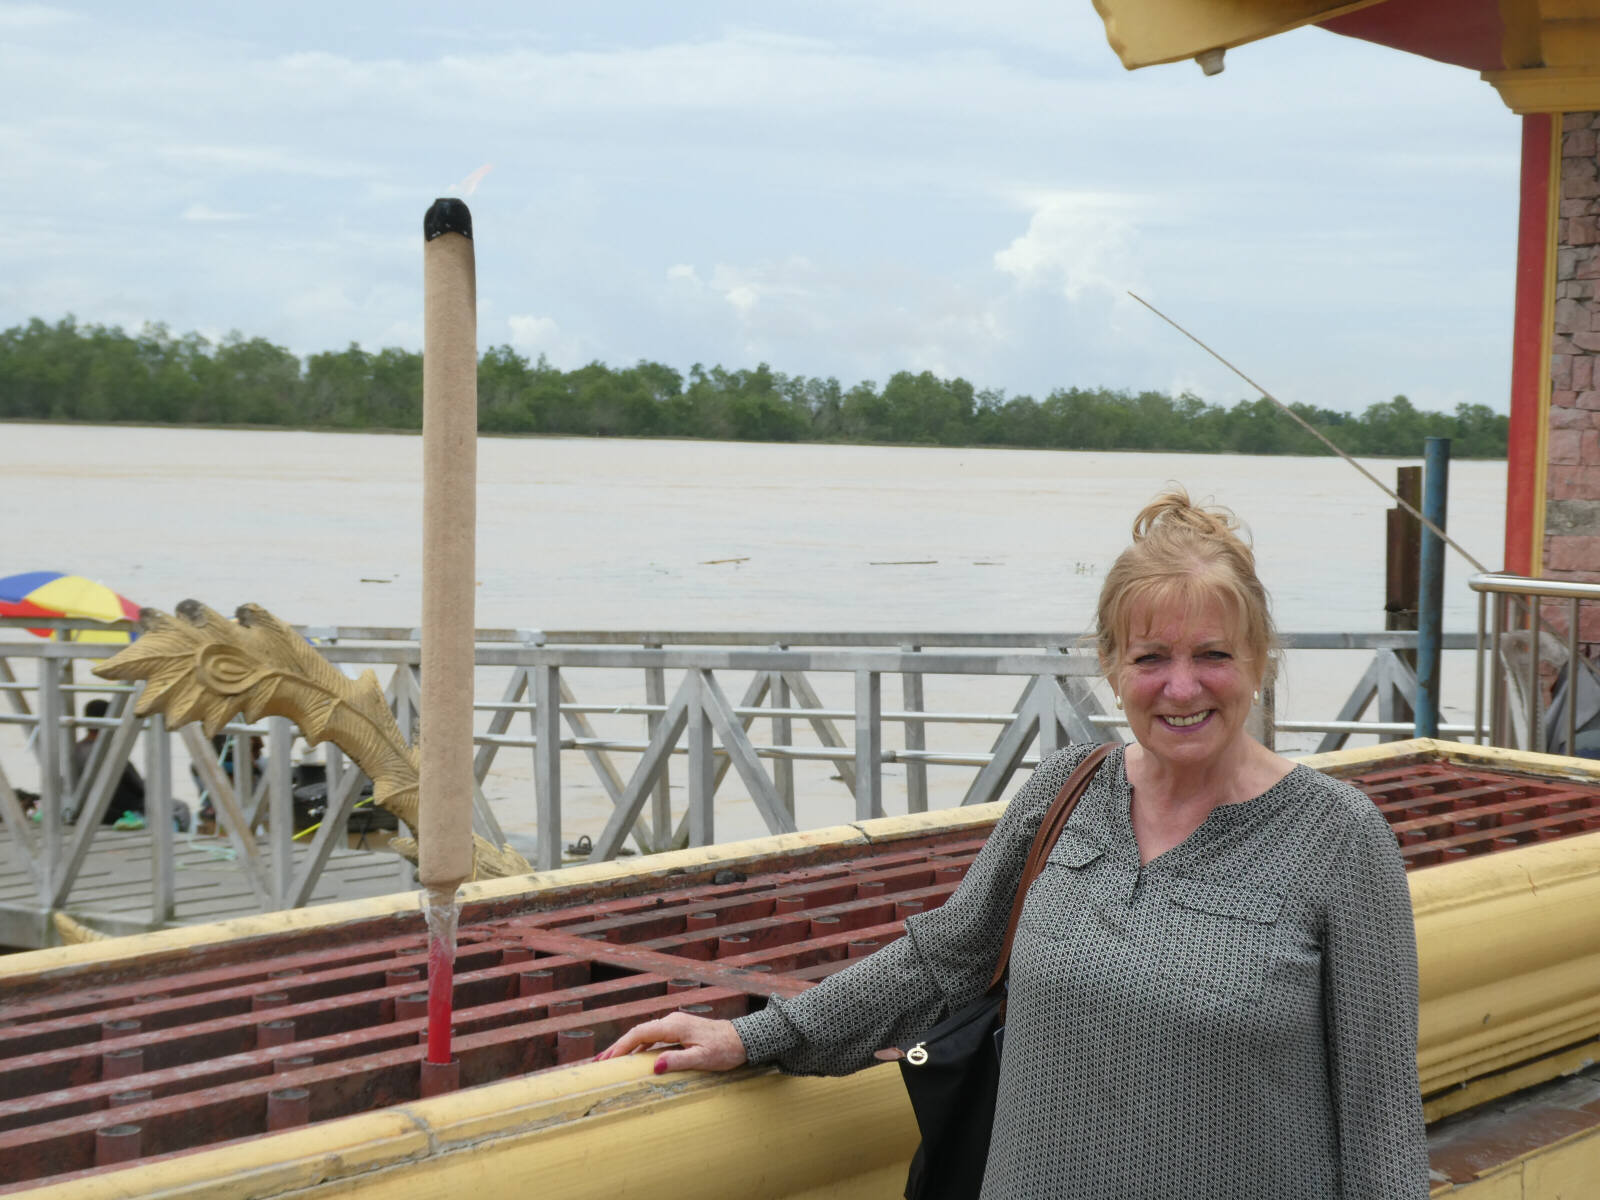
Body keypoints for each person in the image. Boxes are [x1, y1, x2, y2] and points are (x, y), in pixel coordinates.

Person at [598, 489, 1429, 1198]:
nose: (1181, 687)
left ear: (1259, 662)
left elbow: (1381, 1119)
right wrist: (757, 1036)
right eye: (1151, 658)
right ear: (1108, 666)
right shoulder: (1068, 790)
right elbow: (942, 962)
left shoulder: (1338, 840)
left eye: (1212, 655)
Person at [71, 698, 146, 827]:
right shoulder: (111, 753)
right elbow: (139, 786)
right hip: (121, 812)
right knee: (179, 808)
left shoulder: (74, 750)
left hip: (91, 811)